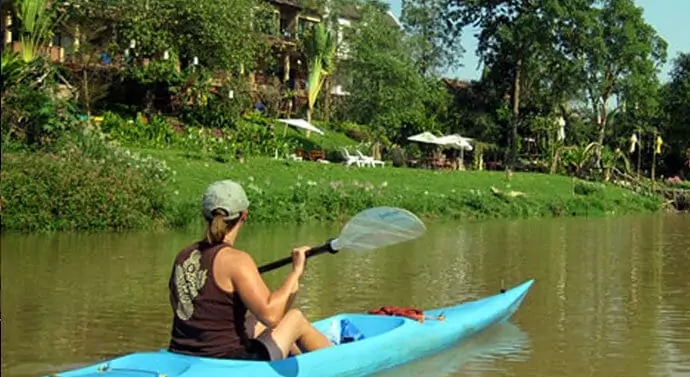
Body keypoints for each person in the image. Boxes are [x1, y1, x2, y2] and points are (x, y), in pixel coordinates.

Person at [168, 179, 333, 361]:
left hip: (182, 352)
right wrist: (296, 272)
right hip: (230, 362)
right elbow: (272, 316)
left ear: (204, 214)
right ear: (244, 215)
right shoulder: (237, 261)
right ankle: (338, 361)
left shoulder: (183, 256)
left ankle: (297, 357)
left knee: (256, 321)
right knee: (295, 318)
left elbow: (189, 308)